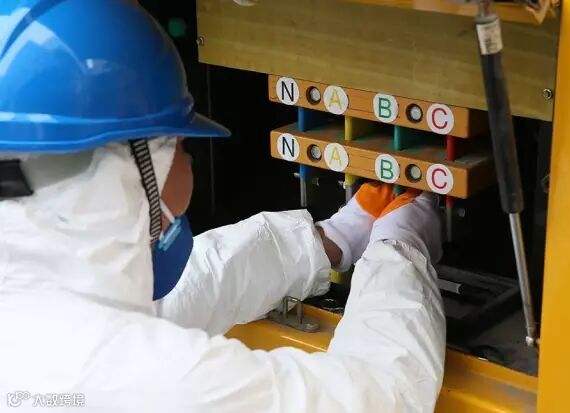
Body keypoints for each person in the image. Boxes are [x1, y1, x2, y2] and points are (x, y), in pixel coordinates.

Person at [0, 1, 445, 412]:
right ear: (131, 168)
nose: (190, 163)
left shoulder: (35, 318)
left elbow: (181, 295)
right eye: (181, 144)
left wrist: (330, 238)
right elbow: (384, 396)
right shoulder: (150, 383)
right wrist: (399, 251)